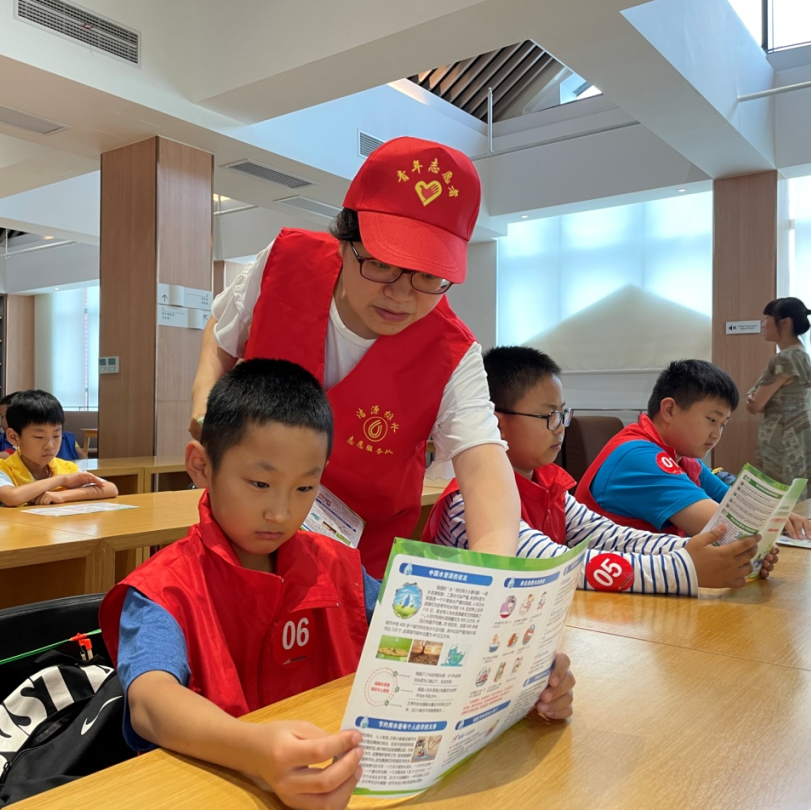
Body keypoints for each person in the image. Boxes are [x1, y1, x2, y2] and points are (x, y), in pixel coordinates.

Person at [100, 360, 574, 809]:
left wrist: (522, 673)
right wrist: (253, 748)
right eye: (260, 484)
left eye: (305, 488)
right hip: (214, 791)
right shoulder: (162, 589)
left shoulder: (338, 567)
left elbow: (429, 637)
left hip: (336, 785)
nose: (281, 512)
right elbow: (150, 702)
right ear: (201, 466)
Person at [189, 137, 519, 577]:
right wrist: (204, 407)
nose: (401, 294)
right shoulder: (285, 262)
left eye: (428, 276)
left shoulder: (451, 351)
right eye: (381, 263)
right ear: (345, 241)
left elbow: (483, 466)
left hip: (358, 566)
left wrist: (492, 576)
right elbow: (222, 333)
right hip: (241, 533)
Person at [423, 348, 764, 594]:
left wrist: (702, 552)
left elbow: (614, 538)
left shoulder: (549, 485)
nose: (561, 427)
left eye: (563, 414)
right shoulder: (467, 503)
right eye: (548, 416)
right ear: (495, 425)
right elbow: (552, 567)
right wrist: (685, 568)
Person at [575, 359, 809, 541]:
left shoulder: (682, 458)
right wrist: (772, 522)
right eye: (711, 420)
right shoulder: (639, 456)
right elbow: (727, 529)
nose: (716, 434)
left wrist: (779, 516)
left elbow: (732, 502)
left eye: (722, 424)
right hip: (613, 585)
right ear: (669, 410)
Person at [0, 390, 116, 507]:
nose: (50, 445)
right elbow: (12, 497)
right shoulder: (4, 468)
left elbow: (110, 488)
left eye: (56, 436)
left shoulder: (65, 467)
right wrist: (63, 480)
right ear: (14, 437)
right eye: (39, 437)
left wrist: (62, 495)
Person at [747, 297, 811, 500]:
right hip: (801, 434)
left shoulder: (784, 358)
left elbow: (756, 404)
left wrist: (752, 397)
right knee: (798, 495)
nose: (763, 324)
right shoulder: (803, 355)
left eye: (767, 318)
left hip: (782, 437)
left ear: (785, 323)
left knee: (779, 498)